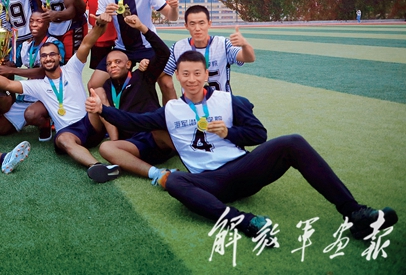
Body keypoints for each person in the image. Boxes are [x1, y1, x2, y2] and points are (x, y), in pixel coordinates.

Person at [87, 51, 398, 239]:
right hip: (210, 182)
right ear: (178, 76)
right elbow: (132, 121)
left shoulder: (228, 101)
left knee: (293, 142)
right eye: (186, 74)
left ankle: (354, 213)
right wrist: (102, 110)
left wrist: (229, 133)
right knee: (175, 181)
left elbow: (258, 135)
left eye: (197, 73)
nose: (192, 79)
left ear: (205, 74)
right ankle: (245, 222)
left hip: (244, 169)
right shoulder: (170, 110)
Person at [0, 12, 117, 183]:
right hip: (70, 133)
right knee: (63, 139)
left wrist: (100, 25)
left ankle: (115, 142)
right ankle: (97, 167)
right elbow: (7, 85)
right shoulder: (39, 85)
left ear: (59, 57)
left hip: (90, 122)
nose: (48, 58)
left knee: (98, 94)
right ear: (40, 60)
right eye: (44, 56)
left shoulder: (72, 68)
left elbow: (87, 42)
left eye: (52, 55)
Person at [93, 16, 176, 181]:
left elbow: (164, 53)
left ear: (128, 64)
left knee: (162, 126)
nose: (113, 65)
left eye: (118, 62)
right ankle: (157, 174)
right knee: (106, 148)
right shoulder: (106, 88)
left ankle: (199, 160)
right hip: (135, 144)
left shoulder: (143, 75)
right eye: (109, 64)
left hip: (156, 136)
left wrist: (141, 28)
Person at [88, 0, 178, 91]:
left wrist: (174, 8)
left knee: (167, 84)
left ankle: (169, 107)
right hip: (123, 48)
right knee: (94, 85)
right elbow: (99, 23)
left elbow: (172, 17)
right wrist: (102, 19)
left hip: (148, 46)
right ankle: (113, 106)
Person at [0, 12, 64, 138]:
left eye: (39, 21)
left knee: (31, 114)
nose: (34, 24)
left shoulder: (54, 44)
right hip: (29, 92)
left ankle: (46, 121)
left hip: (50, 92)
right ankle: (25, 114)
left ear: (47, 25)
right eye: (31, 21)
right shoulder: (25, 45)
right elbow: (12, 65)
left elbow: (44, 72)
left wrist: (11, 70)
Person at [159, 5, 255, 101]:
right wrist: (173, 103)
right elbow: (163, 73)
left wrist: (244, 45)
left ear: (209, 23)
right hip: (191, 105)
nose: (197, 28)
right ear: (186, 26)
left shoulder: (222, 44)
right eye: (192, 24)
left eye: (201, 23)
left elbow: (249, 58)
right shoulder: (178, 47)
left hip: (221, 104)